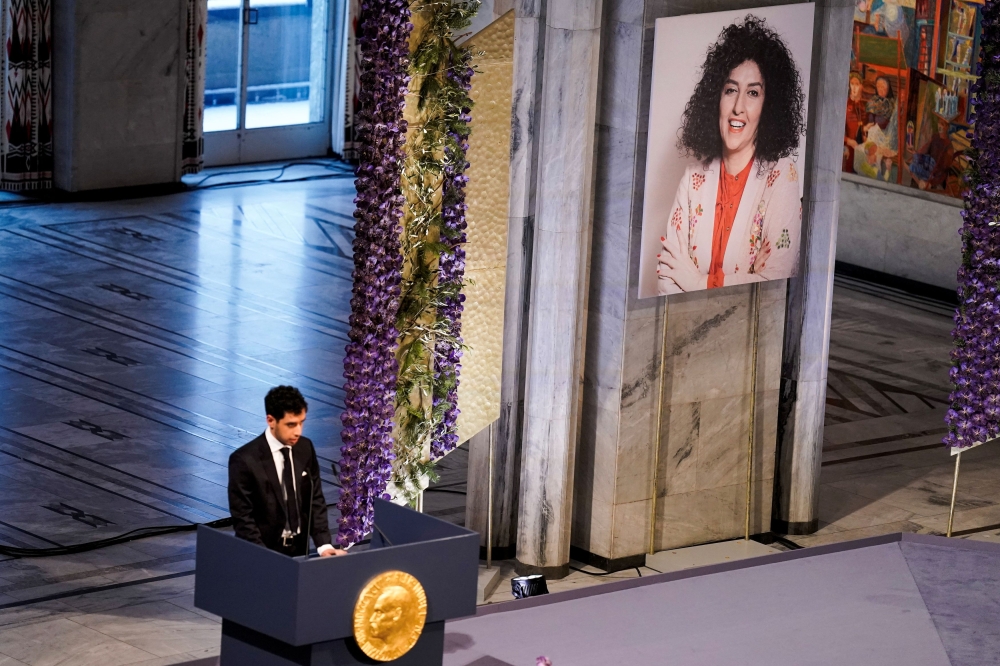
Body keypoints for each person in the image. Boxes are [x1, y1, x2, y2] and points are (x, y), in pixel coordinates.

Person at [657, 16, 804, 294]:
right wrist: (749, 278)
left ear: (769, 106)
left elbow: (776, 281)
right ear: (716, 97)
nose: (738, 106)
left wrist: (699, 282)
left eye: (752, 93)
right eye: (731, 90)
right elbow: (666, 279)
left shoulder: (782, 175)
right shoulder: (693, 179)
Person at [228, 385, 346, 557]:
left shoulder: (305, 448)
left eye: (301, 423)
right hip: (262, 555)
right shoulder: (244, 460)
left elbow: (315, 500)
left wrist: (324, 545)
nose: (298, 431)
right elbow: (244, 519)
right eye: (291, 425)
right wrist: (265, 558)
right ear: (271, 420)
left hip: (299, 551)